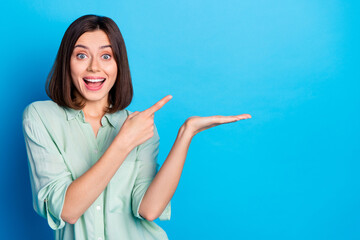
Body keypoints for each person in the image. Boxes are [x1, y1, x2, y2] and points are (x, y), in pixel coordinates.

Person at [22, 14, 251, 240]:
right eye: (81, 55)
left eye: (106, 56)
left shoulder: (140, 125)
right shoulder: (41, 117)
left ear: (118, 64)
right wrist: (123, 142)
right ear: (67, 62)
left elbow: (148, 210)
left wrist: (186, 134)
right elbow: (67, 210)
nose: (94, 67)